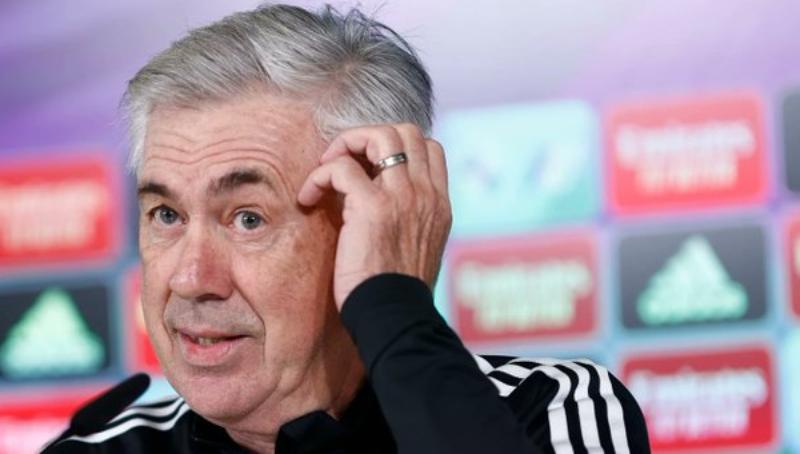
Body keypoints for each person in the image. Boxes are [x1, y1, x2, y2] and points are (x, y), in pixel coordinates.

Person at [45, 4, 649, 453]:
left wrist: (392, 304)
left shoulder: (545, 409)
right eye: (167, 215)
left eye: (248, 218)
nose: (190, 278)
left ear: (373, 220)